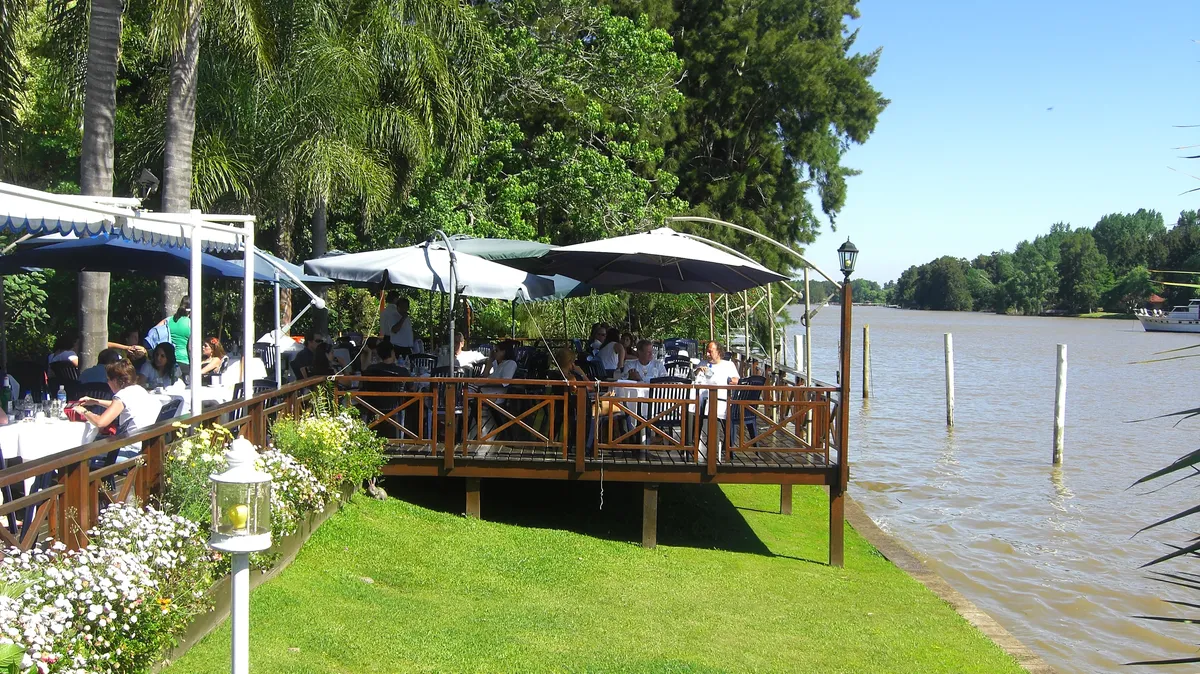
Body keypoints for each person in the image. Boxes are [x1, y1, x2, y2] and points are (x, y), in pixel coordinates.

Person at [73, 359, 163, 459]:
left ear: (115, 381)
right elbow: (121, 406)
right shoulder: (138, 389)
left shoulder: (122, 395)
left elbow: (100, 422)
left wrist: (84, 411)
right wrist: (95, 401)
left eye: (108, 379)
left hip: (130, 450)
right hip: (143, 447)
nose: (107, 382)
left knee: (80, 455)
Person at [159, 296, 192, 369]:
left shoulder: (168, 320)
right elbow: (190, 348)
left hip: (168, 361)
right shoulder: (191, 323)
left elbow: (154, 331)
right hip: (184, 361)